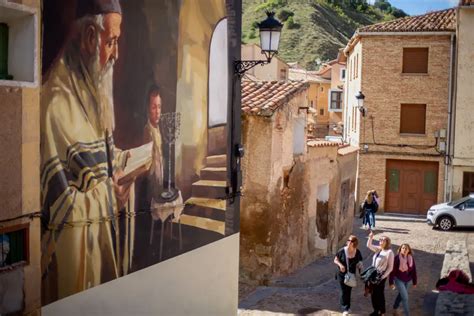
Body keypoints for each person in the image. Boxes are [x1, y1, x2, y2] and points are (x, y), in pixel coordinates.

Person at [40, 0, 139, 301]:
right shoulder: (55, 104)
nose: (116, 54)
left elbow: (97, 162)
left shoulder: (91, 88)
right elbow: (58, 211)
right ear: (89, 38)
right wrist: (110, 195)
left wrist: (127, 162)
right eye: (111, 42)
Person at [334, 235, 364, 315]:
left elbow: (360, 261)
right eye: (348, 240)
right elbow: (335, 260)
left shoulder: (357, 252)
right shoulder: (342, 251)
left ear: (354, 243)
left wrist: (360, 267)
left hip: (351, 274)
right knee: (344, 291)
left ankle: (347, 306)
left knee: (349, 290)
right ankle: (345, 308)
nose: (349, 242)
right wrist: (340, 265)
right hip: (342, 274)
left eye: (351, 241)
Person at [367, 231, 394, 316]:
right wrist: (370, 237)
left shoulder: (389, 252)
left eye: (383, 240)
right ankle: (375, 310)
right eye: (380, 239)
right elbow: (368, 245)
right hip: (373, 274)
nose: (380, 241)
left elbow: (390, 267)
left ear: (387, 242)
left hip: (381, 275)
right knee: (373, 293)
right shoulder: (378, 249)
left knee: (379, 294)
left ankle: (382, 312)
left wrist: (383, 277)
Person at [389, 244, 417, 316]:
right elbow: (392, 271)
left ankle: (395, 308)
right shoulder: (396, 258)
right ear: (400, 249)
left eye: (406, 248)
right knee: (405, 298)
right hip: (398, 279)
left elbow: (414, 270)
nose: (404, 250)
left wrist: (414, 282)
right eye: (403, 248)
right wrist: (391, 282)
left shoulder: (410, 258)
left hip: (408, 280)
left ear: (409, 250)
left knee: (401, 295)